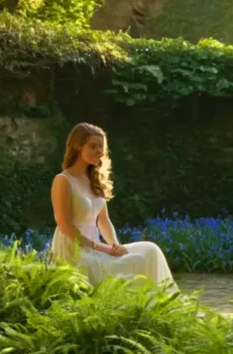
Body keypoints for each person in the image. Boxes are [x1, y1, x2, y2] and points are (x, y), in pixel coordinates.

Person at [49, 122, 178, 293]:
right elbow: (65, 225)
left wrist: (115, 246)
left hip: (97, 246)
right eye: (93, 146)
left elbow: (104, 221)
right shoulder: (63, 180)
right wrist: (103, 248)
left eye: (101, 147)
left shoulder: (93, 180)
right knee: (130, 265)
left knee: (150, 250)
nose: (99, 151)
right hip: (74, 250)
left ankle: (163, 306)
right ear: (78, 147)